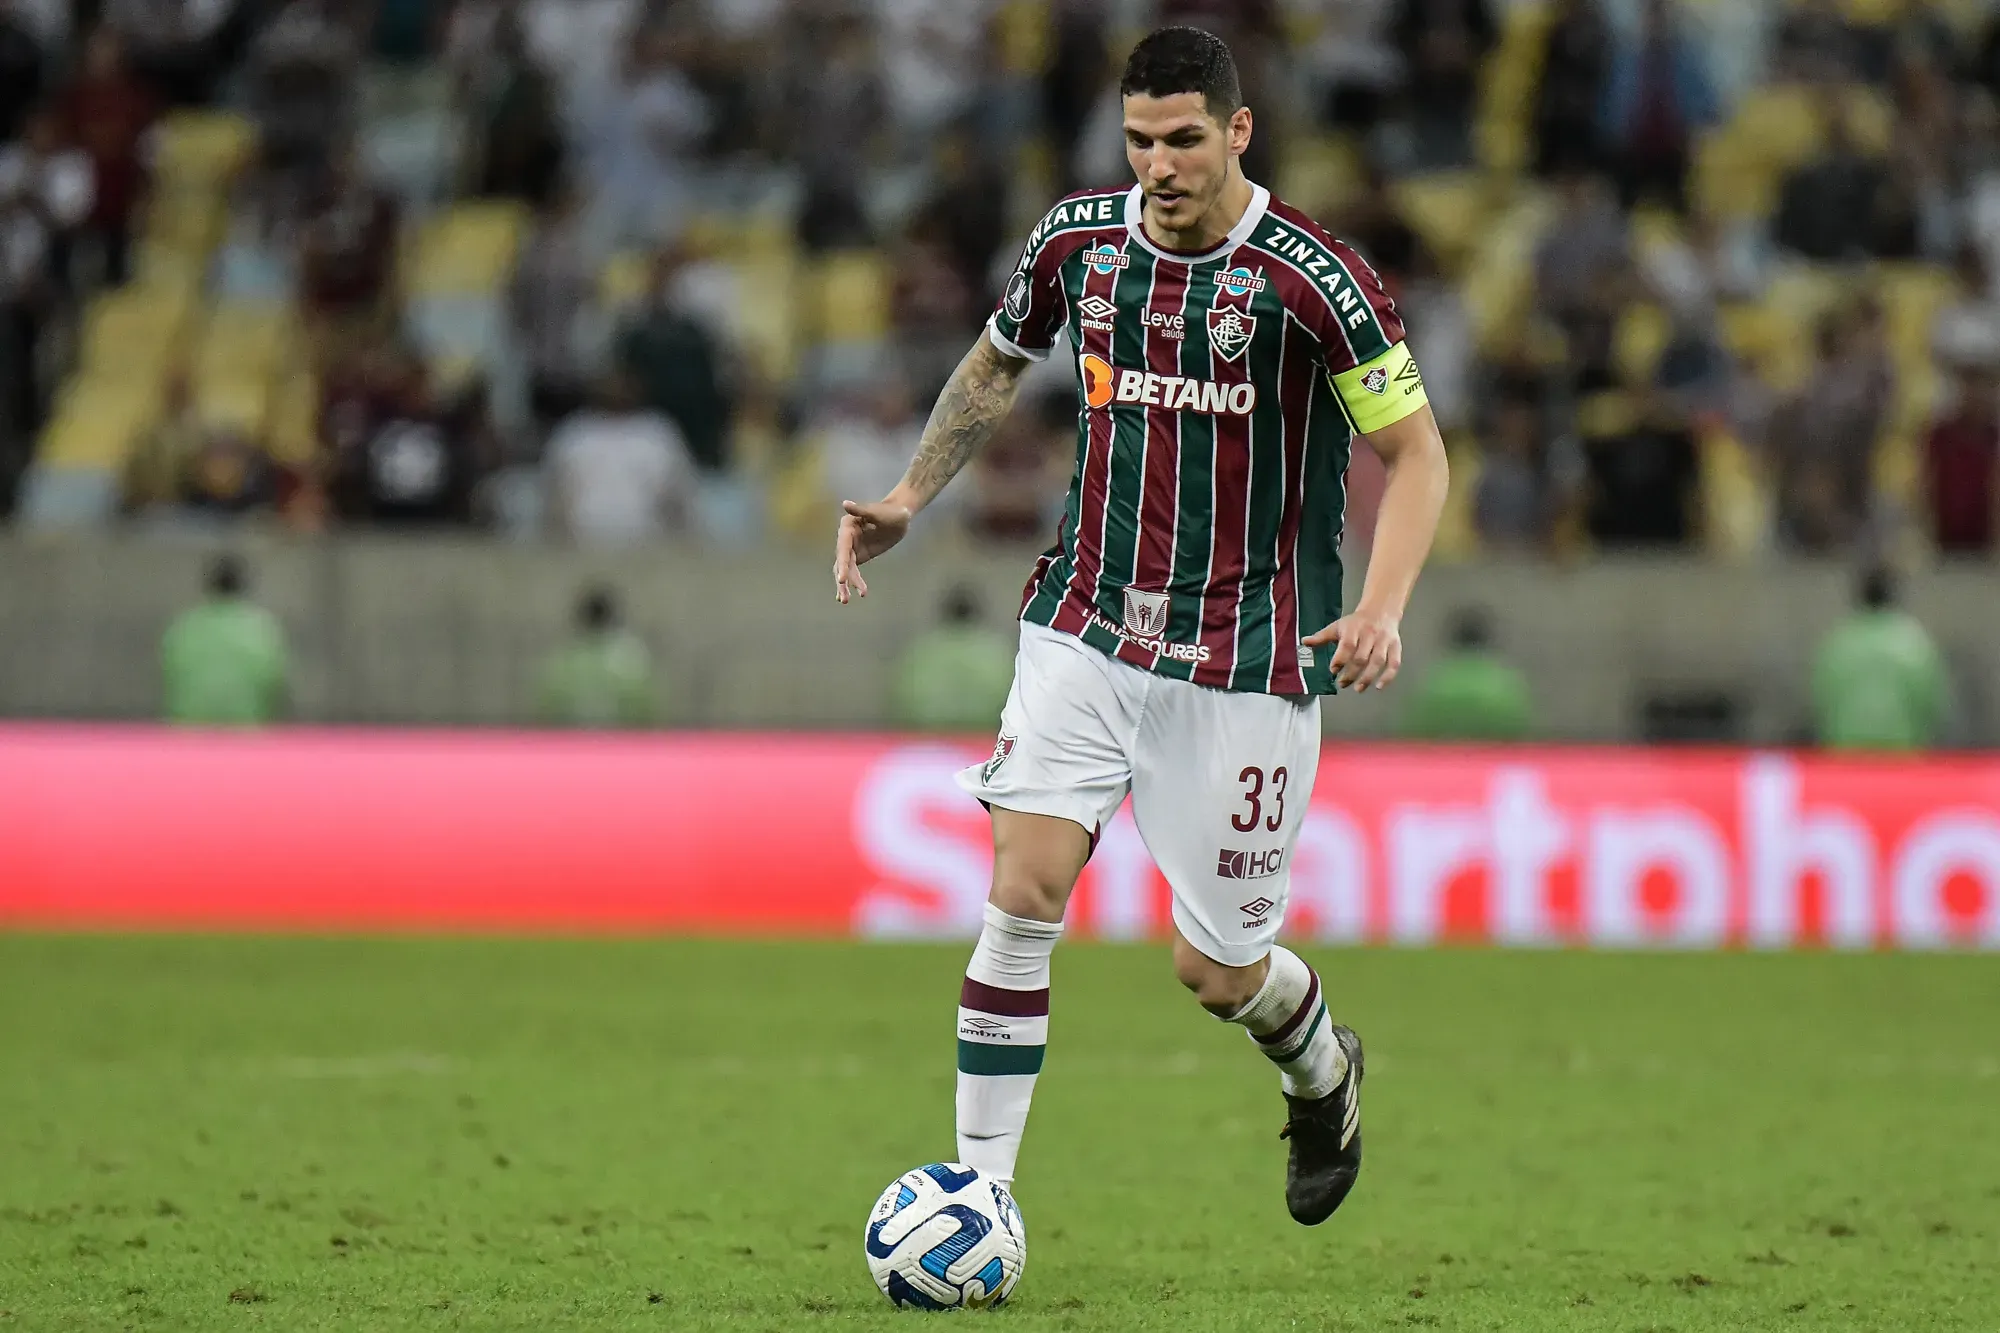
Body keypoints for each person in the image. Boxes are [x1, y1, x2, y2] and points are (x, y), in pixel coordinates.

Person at [832, 28, 1449, 1228]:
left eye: (1180, 140)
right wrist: (909, 493)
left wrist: (1379, 605)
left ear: (1236, 133)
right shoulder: (1075, 243)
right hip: (1086, 619)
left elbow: (1414, 453)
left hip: (1247, 653)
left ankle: (1323, 1071)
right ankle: (979, 1198)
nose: (1156, 165)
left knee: (1214, 973)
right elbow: (995, 365)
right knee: (1023, 888)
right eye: (1137, 141)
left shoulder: (1312, 280)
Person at [1810, 567, 1948, 752]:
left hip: (1845, 757)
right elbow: (1932, 704)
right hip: (1901, 757)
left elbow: (1819, 700)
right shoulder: (1914, 643)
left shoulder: (1838, 642)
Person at [160, 554, 290, 726]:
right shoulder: (261, 628)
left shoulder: (185, 625)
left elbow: (169, 674)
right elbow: (274, 679)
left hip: (190, 728)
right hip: (247, 729)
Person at [890, 586, 1018, 734]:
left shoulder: (924, 650)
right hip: (984, 736)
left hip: (930, 737)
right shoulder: (996, 650)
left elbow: (904, 695)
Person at [1399, 607, 1532, 741]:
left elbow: (1414, 731)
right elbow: (1520, 731)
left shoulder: (1434, 682)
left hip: (1442, 758)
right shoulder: (1506, 684)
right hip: (1495, 758)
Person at [535, 586, 660, 728]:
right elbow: (647, 712)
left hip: (571, 745)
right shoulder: (631, 660)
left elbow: (546, 712)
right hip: (621, 745)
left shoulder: (565, 661)